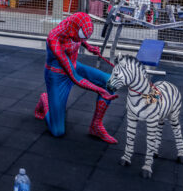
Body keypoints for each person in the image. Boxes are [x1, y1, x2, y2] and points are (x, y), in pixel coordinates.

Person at [33, 12, 119, 143]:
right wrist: (99, 90)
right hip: (57, 75)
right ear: (74, 29)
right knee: (57, 131)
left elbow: (79, 38)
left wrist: (89, 47)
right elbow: (74, 77)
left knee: (110, 82)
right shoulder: (54, 38)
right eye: (80, 37)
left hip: (73, 65)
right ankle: (46, 100)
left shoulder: (73, 25)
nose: (81, 40)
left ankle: (96, 126)